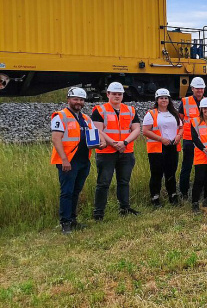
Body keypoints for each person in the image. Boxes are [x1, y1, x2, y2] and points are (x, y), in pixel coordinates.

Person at [50, 87, 101, 234]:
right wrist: (64, 160)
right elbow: (56, 138)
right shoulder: (60, 116)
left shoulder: (85, 118)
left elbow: (93, 136)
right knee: (66, 192)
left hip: (83, 160)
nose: (78, 102)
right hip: (68, 161)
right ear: (68, 99)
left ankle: (73, 220)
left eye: (81, 100)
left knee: (76, 191)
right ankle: (65, 223)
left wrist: (100, 143)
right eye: (76, 99)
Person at [92, 82, 141, 220]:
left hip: (126, 151)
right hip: (106, 153)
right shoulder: (100, 110)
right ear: (108, 94)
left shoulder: (130, 110)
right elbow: (98, 130)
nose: (117, 96)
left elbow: (137, 129)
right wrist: (114, 143)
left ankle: (124, 208)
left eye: (119, 94)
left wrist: (124, 142)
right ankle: (99, 213)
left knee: (124, 181)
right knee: (103, 183)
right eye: (114, 93)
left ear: (123, 95)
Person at [142, 88, 182, 207]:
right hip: (157, 148)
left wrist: (179, 136)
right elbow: (145, 131)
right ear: (157, 100)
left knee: (171, 173)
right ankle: (155, 198)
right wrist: (161, 139)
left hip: (172, 146)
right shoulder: (151, 114)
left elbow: (181, 127)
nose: (164, 100)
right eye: (161, 98)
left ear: (169, 99)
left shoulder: (174, 113)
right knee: (157, 173)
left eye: (166, 98)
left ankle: (173, 196)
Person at [179, 76, 207, 200]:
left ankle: (200, 190)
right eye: (197, 88)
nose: (199, 91)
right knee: (187, 166)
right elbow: (180, 117)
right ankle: (184, 192)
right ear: (192, 89)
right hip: (189, 139)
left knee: (201, 166)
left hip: (203, 140)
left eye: (201, 88)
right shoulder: (185, 101)